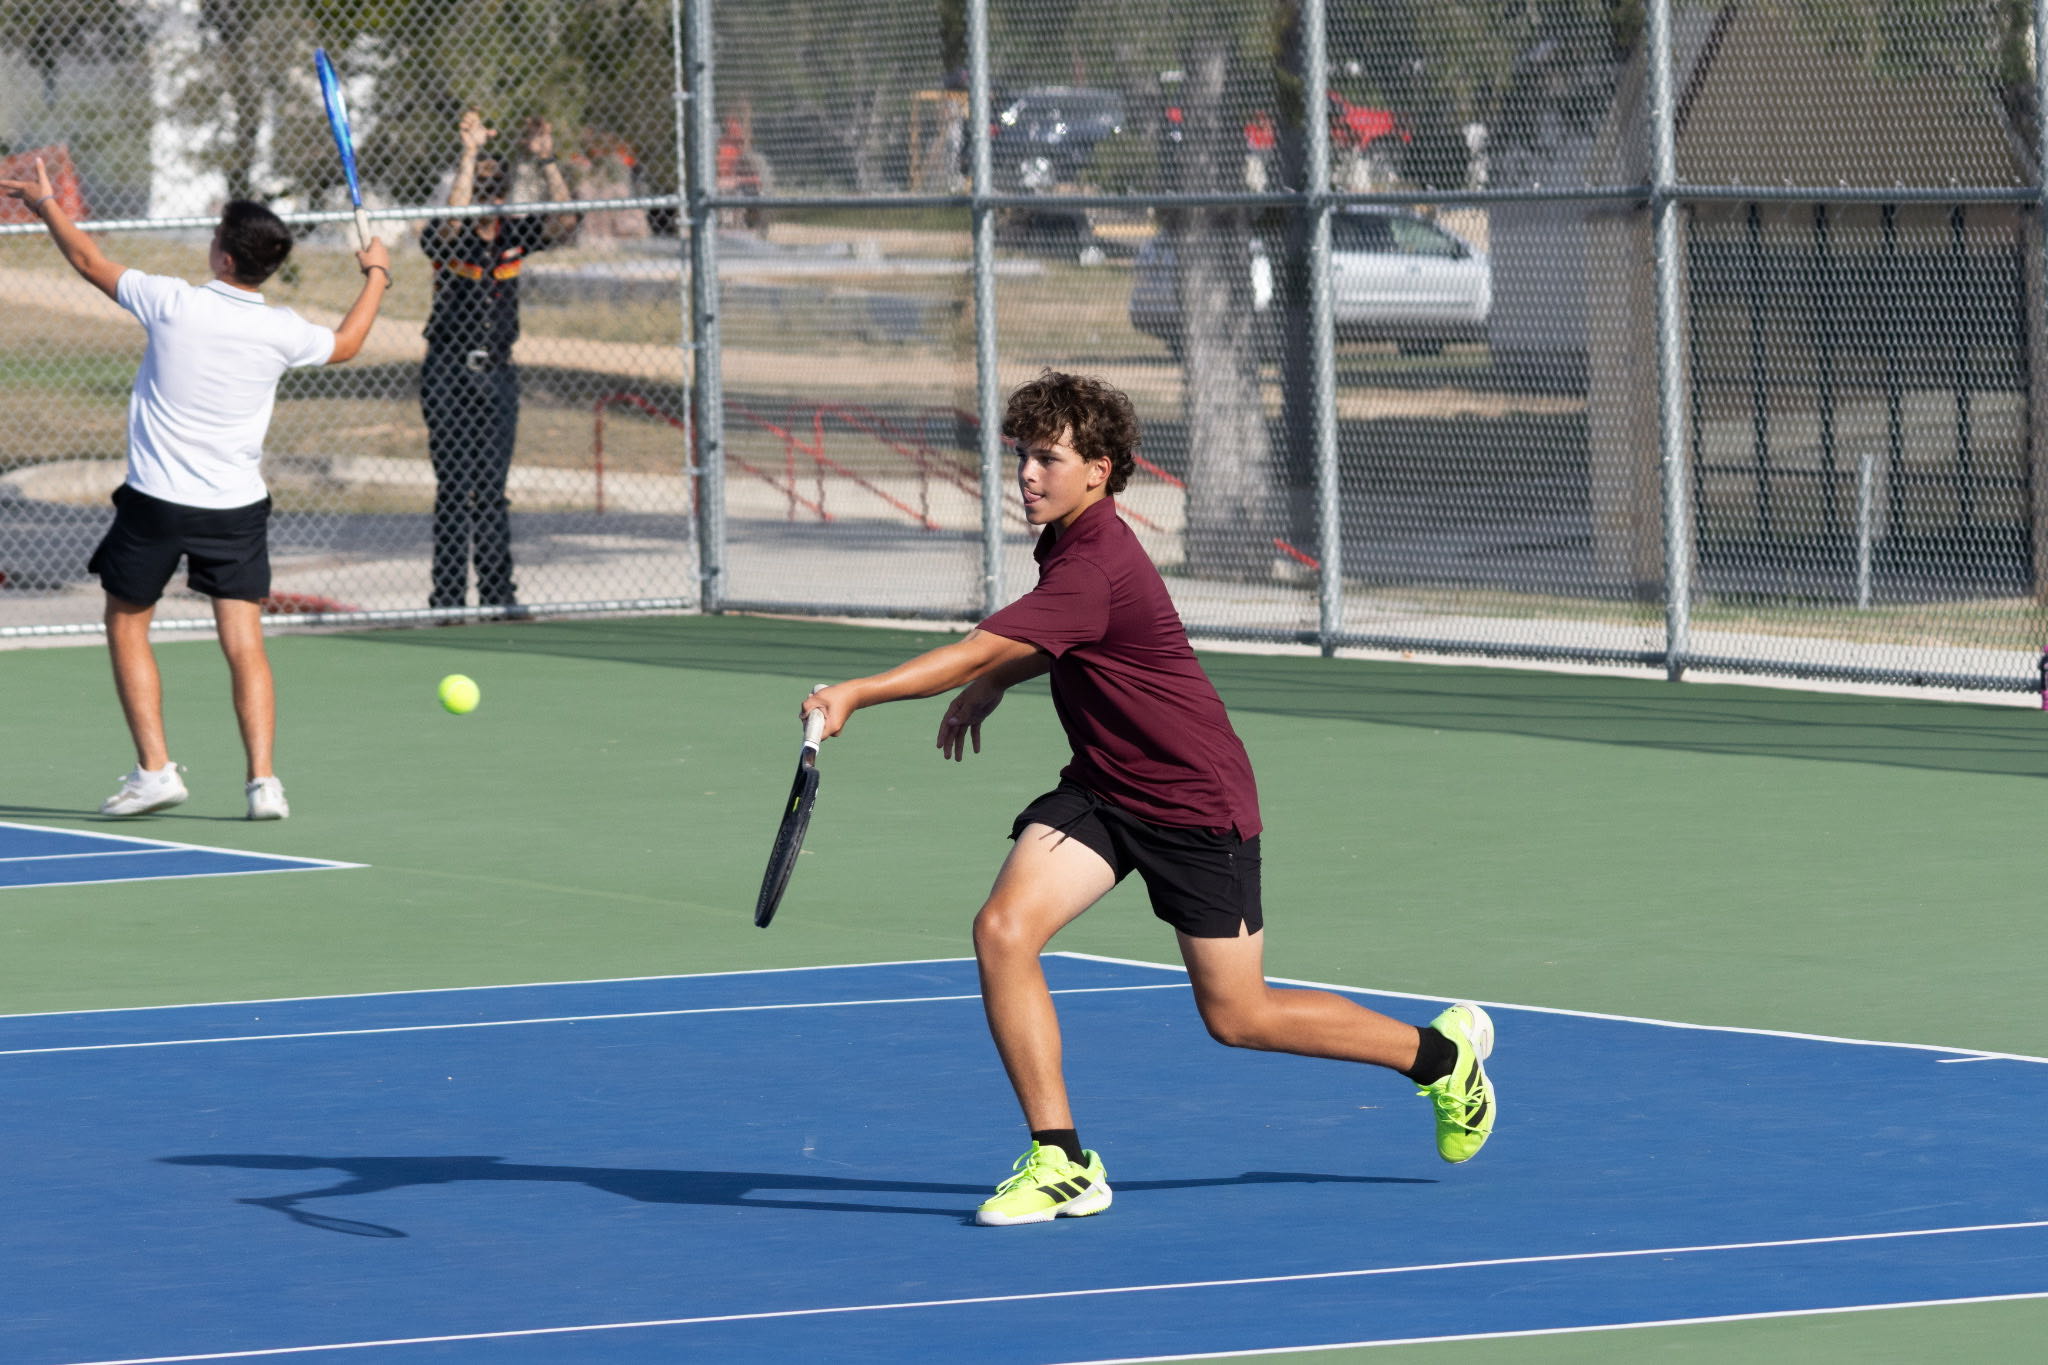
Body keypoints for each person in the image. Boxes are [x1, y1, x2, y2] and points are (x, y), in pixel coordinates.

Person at [800, 371, 1497, 1226]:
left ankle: (1440, 1058)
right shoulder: (1067, 540)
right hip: (1104, 787)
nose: (1028, 474)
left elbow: (982, 643)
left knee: (1238, 1015)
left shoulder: (1095, 562)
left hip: (1194, 802)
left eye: (1048, 459)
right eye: (1023, 455)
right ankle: (1061, 1160)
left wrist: (859, 692)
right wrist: (999, 683)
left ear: (1099, 470)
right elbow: (1054, 641)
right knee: (1003, 930)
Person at [0, 158, 391, 820]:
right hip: (235, 510)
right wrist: (377, 273)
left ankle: (156, 771)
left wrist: (45, 204)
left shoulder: (172, 303)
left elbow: (89, 260)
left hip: (155, 503)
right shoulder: (283, 330)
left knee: (126, 621)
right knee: (244, 641)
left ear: (224, 256)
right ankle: (263, 783)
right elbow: (349, 341)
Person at [419, 109, 580, 617]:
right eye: (480, 187)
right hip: (447, 371)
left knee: (491, 488)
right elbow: (451, 221)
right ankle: (447, 600)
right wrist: (468, 155)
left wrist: (547, 160)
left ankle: (497, 595)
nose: (487, 199)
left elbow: (566, 221)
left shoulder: (514, 233)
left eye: (495, 188)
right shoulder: (447, 235)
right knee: (453, 488)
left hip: (498, 371)